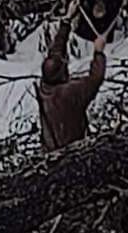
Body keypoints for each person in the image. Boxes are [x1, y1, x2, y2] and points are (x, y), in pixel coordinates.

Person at [37, 19, 107, 150]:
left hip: (50, 149)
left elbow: (55, 53)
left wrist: (66, 22)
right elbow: (95, 78)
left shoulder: (44, 87)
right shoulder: (69, 92)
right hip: (73, 150)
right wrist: (98, 53)